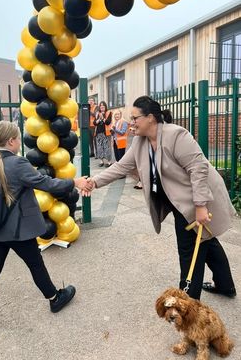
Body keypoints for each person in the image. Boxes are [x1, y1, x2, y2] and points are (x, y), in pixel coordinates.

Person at [85, 96, 236, 300]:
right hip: (179, 201)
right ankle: (225, 286)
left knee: (188, 250)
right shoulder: (141, 141)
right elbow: (122, 166)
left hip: (197, 198)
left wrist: (200, 205)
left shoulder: (176, 135)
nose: (132, 122)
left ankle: (186, 305)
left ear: (150, 118)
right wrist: (94, 182)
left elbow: (198, 168)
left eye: (135, 117)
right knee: (207, 240)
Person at [0, 121, 92, 346]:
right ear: (11, 141)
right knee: (35, 265)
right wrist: (75, 182)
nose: (20, 141)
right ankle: (55, 299)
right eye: (18, 138)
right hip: (17, 230)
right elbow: (47, 183)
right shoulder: (16, 163)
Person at [93, 101, 113, 168]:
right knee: (99, 147)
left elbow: (108, 122)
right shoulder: (97, 113)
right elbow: (94, 123)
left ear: (105, 107)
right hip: (98, 133)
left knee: (107, 147)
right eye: (101, 106)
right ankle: (101, 161)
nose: (102, 107)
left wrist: (103, 118)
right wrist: (98, 119)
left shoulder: (108, 113)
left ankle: (108, 161)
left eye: (103, 106)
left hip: (106, 133)